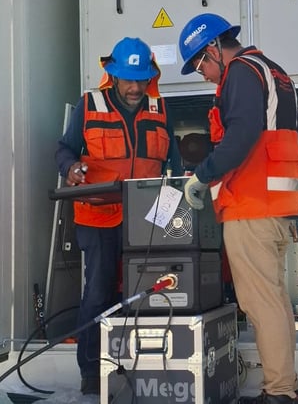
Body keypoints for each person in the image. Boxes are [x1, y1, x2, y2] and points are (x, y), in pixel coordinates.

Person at [177, 13, 298, 404]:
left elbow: (242, 135)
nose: (202, 74)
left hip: (252, 206)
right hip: (276, 206)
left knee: (261, 304)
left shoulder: (241, 73)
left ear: (214, 47)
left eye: (200, 63)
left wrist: (202, 175)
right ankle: (286, 387)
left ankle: (279, 393)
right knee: (275, 301)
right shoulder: (274, 72)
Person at [55, 37, 183, 395]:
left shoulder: (160, 108)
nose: (135, 88)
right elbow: (64, 149)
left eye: (141, 80)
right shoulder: (89, 105)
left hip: (147, 219)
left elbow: (173, 164)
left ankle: (142, 364)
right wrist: (71, 168)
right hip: (98, 216)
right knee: (99, 292)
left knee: (147, 291)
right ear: (113, 76)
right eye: (128, 80)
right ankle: (91, 371)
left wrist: (169, 211)